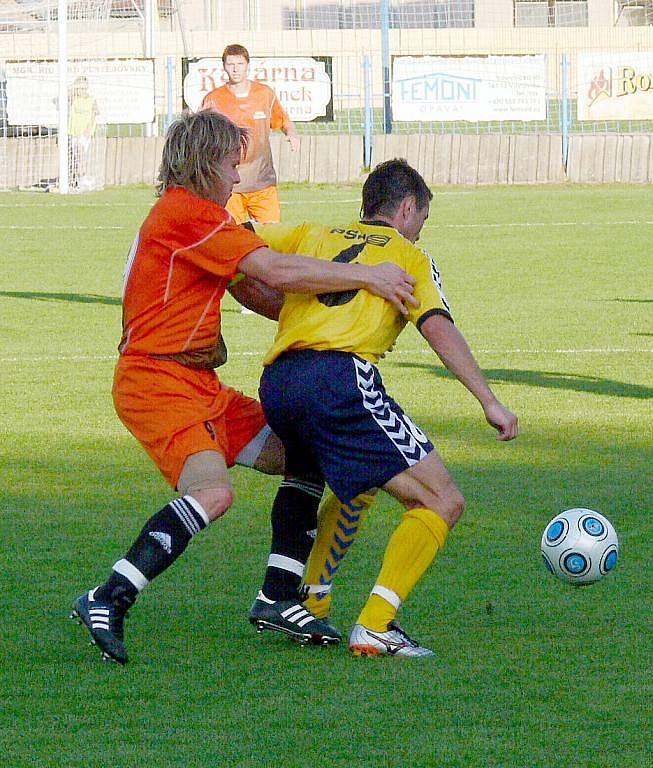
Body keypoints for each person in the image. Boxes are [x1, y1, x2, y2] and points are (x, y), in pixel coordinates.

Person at [70, 111, 418, 665]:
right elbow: (275, 271)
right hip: (156, 382)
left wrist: (317, 326)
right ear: (206, 163)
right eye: (233, 166)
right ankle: (108, 596)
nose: (237, 180)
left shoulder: (195, 216)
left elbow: (254, 291)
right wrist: (367, 276)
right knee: (213, 494)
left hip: (194, 380)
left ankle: (277, 597)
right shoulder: (185, 213)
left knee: (306, 453)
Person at [248, 158, 519, 657]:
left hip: (279, 381)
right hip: (340, 380)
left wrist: (270, 303)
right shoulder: (408, 256)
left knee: (360, 484)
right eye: (422, 219)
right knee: (442, 500)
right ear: (408, 207)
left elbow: (238, 242)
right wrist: (490, 400)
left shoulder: (313, 233)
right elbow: (436, 326)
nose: (419, 231)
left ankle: (311, 600)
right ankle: (376, 625)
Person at [201, 44, 299, 226]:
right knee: (231, 241)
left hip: (262, 183)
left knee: (270, 239)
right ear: (224, 67)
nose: (236, 69)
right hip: (229, 186)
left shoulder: (264, 94)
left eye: (240, 63)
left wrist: (292, 133)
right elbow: (200, 137)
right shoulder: (213, 99)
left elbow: (284, 121)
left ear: (248, 65)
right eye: (231, 64)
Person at [68, 76, 99, 191]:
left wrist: (88, 129)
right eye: (79, 88)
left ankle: (83, 179)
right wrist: (74, 86)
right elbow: (66, 93)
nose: (81, 91)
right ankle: (80, 178)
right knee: (76, 157)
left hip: (84, 133)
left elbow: (95, 114)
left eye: (83, 88)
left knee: (81, 154)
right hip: (73, 132)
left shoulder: (91, 99)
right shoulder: (73, 99)